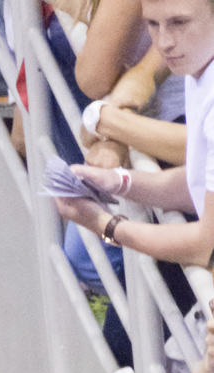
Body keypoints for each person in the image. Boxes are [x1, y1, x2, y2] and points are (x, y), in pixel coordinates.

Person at [54, 0, 214, 270]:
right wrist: (121, 182)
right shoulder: (198, 66)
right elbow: (200, 181)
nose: (164, 43)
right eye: (152, 24)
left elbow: (205, 245)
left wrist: (106, 225)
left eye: (179, 23)